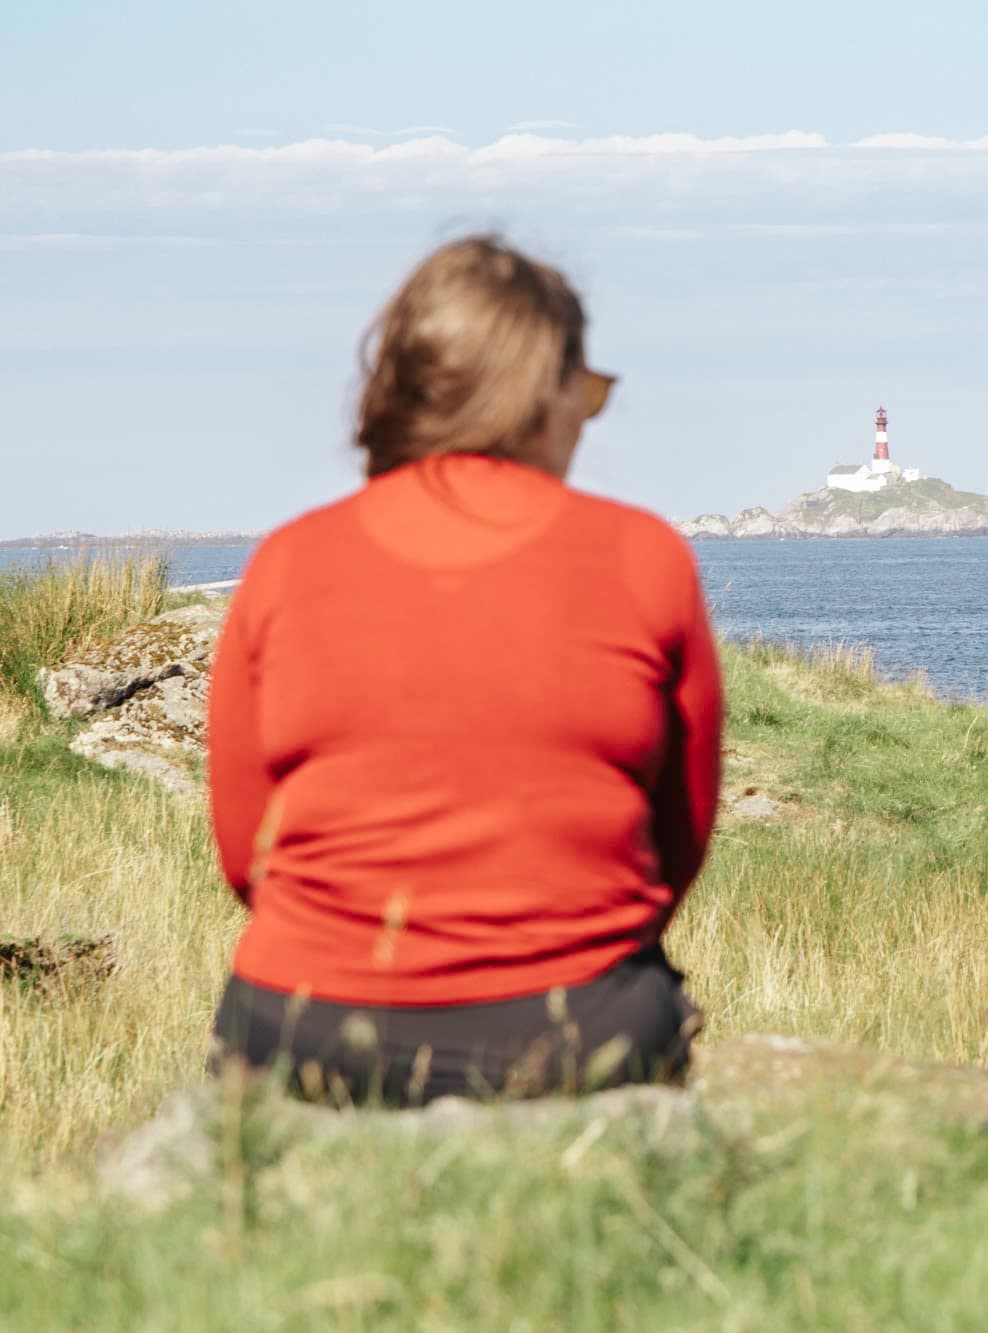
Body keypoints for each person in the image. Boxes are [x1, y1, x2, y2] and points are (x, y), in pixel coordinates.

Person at [207, 236, 722, 1106]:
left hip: (304, 1026)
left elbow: (243, 851)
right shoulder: (645, 557)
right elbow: (678, 840)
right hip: (576, 1027)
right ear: (538, 393)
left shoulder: (288, 562)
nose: (584, 423)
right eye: (587, 394)